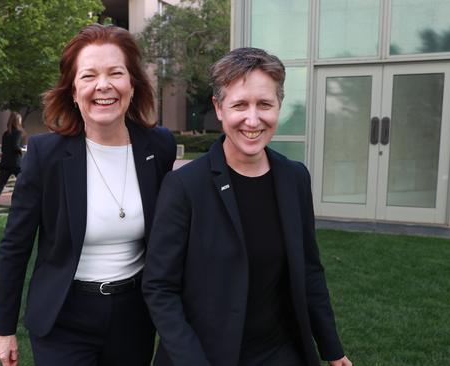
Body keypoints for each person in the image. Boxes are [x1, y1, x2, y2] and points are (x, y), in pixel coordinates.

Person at [142, 48, 352, 366]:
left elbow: (309, 270)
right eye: (240, 104)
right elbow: (159, 287)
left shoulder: (294, 178)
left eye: (264, 104)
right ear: (219, 108)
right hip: (203, 354)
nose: (252, 120)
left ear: (278, 106)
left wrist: (332, 349)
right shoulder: (185, 186)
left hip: (279, 352)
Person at [0, 24, 177, 366]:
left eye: (115, 73)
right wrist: (4, 329)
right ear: (74, 91)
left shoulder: (159, 146)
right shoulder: (46, 154)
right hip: (64, 315)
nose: (103, 85)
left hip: (134, 316)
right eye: (89, 75)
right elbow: (15, 246)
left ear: (132, 85)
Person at [0, 112, 25, 217]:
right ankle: (21, 206)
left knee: (0, 186)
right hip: (16, 164)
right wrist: (23, 149)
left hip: (4, 163)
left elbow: (4, 149)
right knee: (25, 185)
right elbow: (15, 147)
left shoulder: (5, 134)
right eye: (20, 120)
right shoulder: (18, 132)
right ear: (17, 121)